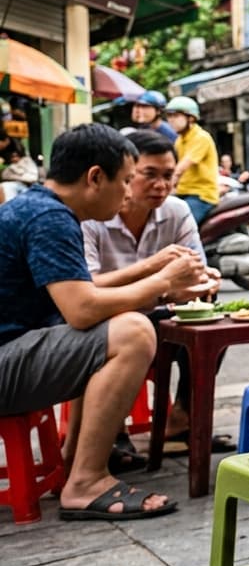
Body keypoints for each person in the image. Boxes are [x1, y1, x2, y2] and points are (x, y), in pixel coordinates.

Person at [0, 124, 201, 520]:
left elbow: (82, 297)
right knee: (133, 331)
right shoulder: (48, 218)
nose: (128, 193)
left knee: (99, 334)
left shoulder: (39, 208)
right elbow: (83, 308)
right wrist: (162, 282)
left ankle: (77, 464)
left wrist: (155, 274)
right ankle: (87, 480)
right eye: (126, 180)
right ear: (95, 177)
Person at [83, 130, 222, 460]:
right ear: (126, 173)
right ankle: (113, 432)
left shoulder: (176, 211)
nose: (161, 185)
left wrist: (199, 281)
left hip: (161, 311)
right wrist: (160, 276)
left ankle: (182, 418)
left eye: (168, 176)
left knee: (208, 320)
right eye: (149, 175)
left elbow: (196, 271)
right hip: (106, 320)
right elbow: (85, 288)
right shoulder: (93, 216)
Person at [164, 96, 220, 224]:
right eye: (169, 116)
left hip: (201, 195)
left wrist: (169, 181)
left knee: (181, 227)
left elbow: (182, 166)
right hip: (183, 193)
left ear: (191, 118)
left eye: (176, 116)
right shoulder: (179, 141)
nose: (171, 120)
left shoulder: (201, 137)